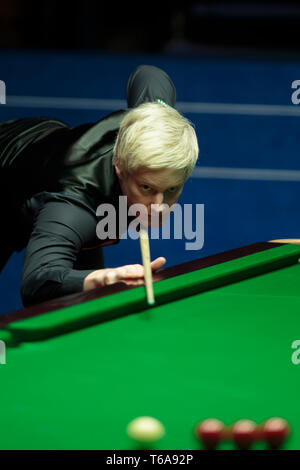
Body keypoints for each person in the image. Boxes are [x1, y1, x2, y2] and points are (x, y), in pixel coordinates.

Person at [0, 65, 199, 307]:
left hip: (44, 144)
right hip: (12, 175)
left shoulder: (150, 121)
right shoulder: (73, 204)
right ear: (119, 166)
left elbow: (149, 74)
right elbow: (36, 282)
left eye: (171, 190)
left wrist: (158, 110)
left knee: (86, 301)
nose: (159, 207)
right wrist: (108, 277)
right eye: (146, 188)